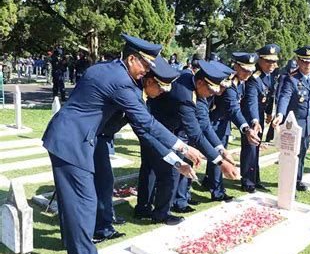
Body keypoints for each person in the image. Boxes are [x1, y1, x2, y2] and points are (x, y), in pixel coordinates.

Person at [42, 33, 203, 254]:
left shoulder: (115, 73)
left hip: (81, 139)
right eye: (146, 66)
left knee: (80, 203)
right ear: (131, 60)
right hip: (72, 142)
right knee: (85, 207)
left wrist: (176, 161)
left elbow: (145, 134)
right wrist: (183, 148)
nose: (146, 71)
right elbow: (147, 124)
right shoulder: (121, 83)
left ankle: (73, 244)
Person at [92, 55, 182, 243]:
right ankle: (101, 228)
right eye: (160, 88)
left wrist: (173, 158)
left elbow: (144, 132)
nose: (162, 93)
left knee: (105, 182)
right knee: (102, 182)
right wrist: (176, 155)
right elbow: (145, 130)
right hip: (92, 137)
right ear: (149, 81)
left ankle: (105, 222)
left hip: (102, 137)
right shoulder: (131, 92)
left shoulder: (140, 93)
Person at [150, 59, 239, 213]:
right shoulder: (186, 95)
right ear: (200, 83)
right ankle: (158, 211)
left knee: (165, 169)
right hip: (158, 127)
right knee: (166, 169)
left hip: (170, 128)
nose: (213, 93)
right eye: (211, 90)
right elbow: (196, 134)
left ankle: (158, 208)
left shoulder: (192, 85)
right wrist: (220, 163)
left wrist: (221, 151)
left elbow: (204, 124)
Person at [207, 53, 261, 199]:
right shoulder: (229, 83)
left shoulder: (241, 83)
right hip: (214, 123)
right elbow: (233, 109)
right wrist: (246, 129)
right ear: (236, 66)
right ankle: (217, 192)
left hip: (223, 123)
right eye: (244, 70)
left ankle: (210, 183)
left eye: (250, 70)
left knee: (217, 157)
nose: (248, 73)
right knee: (219, 157)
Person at [272, 46, 310, 191]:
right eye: (304, 62)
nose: (307, 65)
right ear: (298, 62)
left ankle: (298, 180)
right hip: (294, 123)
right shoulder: (291, 79)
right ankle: (288, 181)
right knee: (291, 154)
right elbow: (284, 97)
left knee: (303, 153)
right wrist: (280, 115)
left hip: (307, 123)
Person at [240, 44, 279, 193]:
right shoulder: (254, 78)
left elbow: (269, 95)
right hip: (250, 117)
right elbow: (251, 102)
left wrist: (269, 112)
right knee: (250, 149)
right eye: (268, 61)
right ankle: (247, 181)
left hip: (260, 115)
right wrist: (255, 121)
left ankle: (255, 179)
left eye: (274, 62)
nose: (272, 65)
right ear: (260, 60)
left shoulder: (270, 75)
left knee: (256, 148)